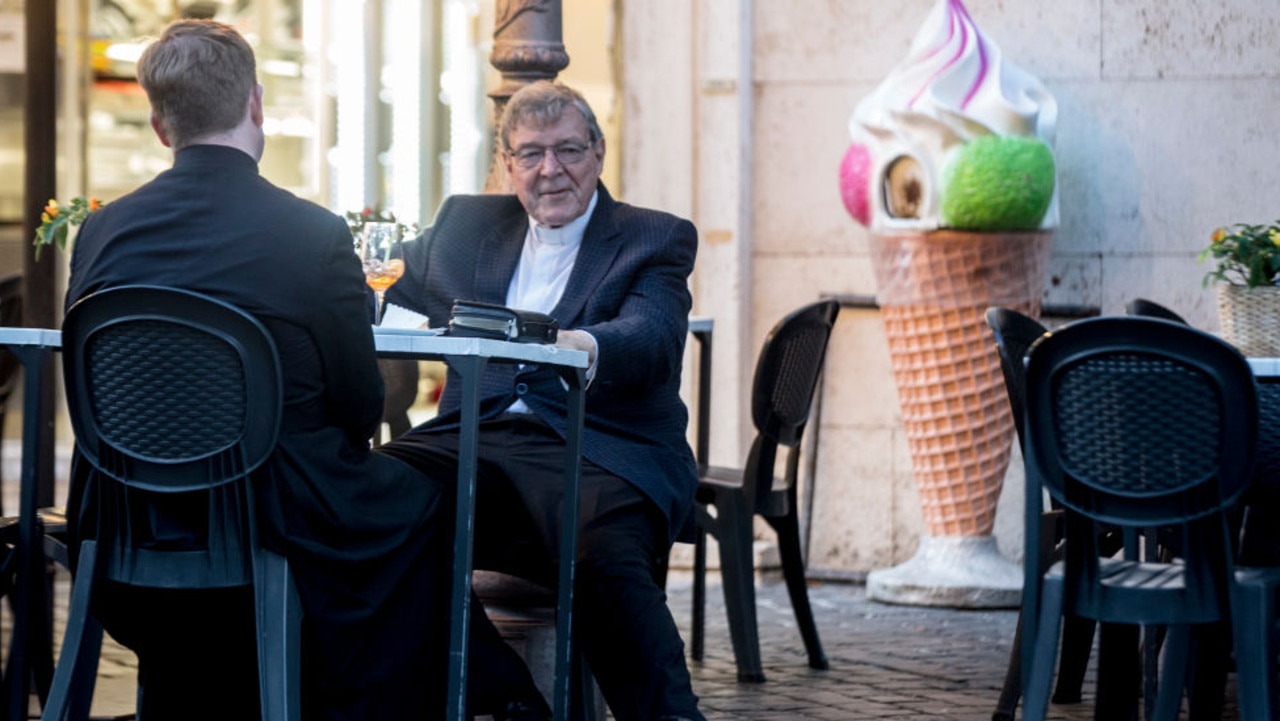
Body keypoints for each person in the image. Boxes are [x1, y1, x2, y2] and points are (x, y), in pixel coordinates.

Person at [64, 19, 452, 720]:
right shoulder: (311, 234)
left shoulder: (101, 230)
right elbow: (360, 404)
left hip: (128, 519)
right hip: (281, 519)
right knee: (423, 501)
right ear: (256, 104)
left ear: (159, 124)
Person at [379, 80, 706, 721]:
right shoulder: (464, 225)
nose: (549, 170)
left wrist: (579, 342)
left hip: (598, 447)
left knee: (603, 555)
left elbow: (653, 336)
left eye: (567, 151)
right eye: (530, 154)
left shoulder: (653, 237)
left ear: (599, 152)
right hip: (478, 441)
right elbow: (384, 283)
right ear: (507, 164)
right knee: (372, 500)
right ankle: (508, 699)